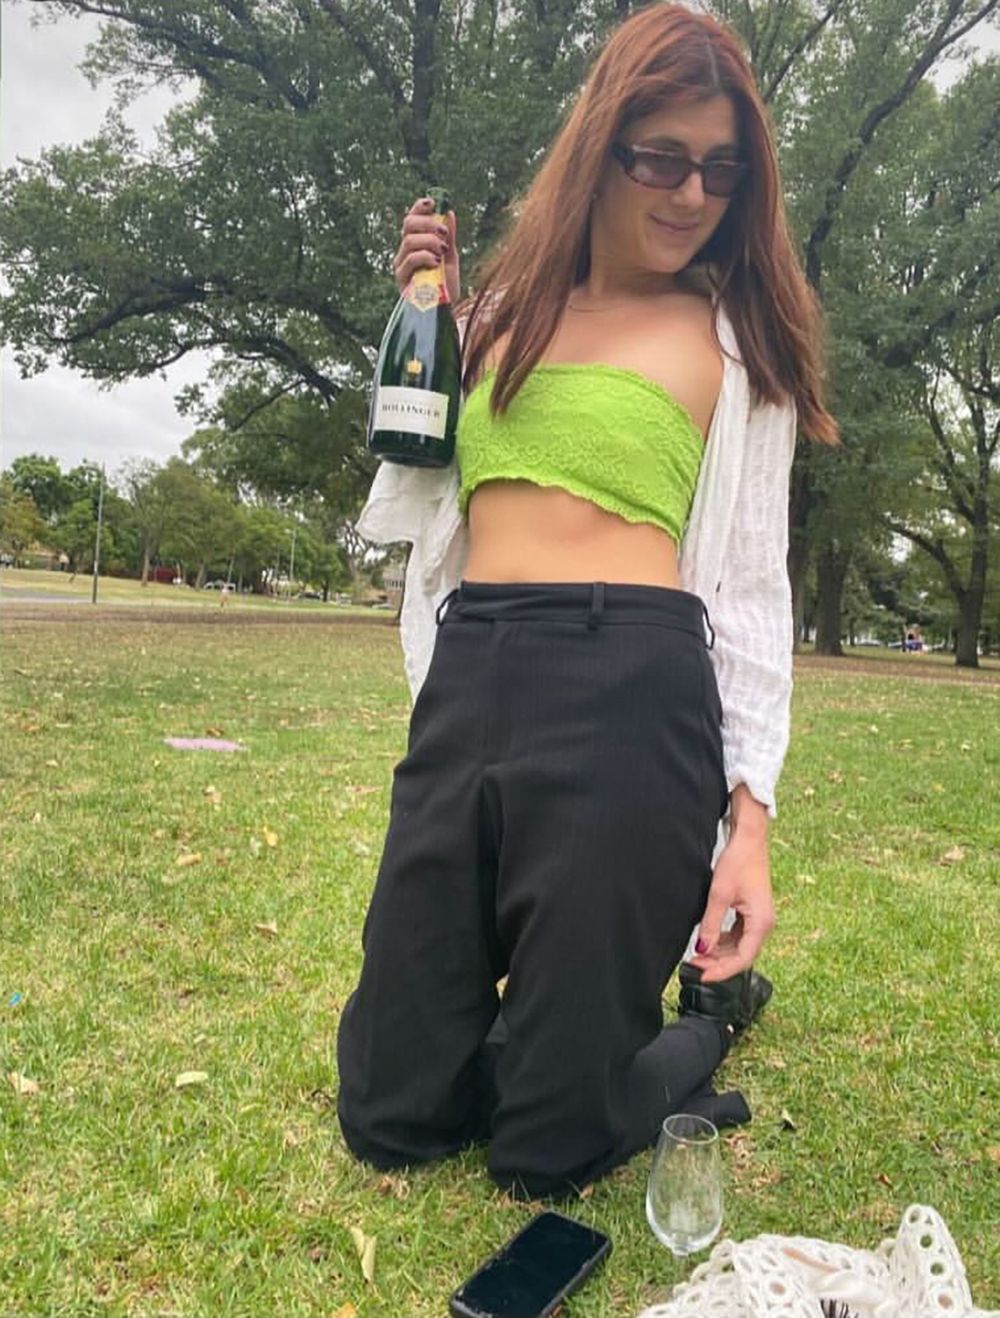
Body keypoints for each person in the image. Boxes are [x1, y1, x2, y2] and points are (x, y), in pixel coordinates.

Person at [337, 3, 838, 1199]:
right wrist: (429, 316)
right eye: (661, 158)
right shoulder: (498, 317)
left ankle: (706, 1022)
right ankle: (548, 1025)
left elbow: (751, 589)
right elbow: (418, 491)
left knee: (545, 1151)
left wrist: (748, 831)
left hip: (632, 696)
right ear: (600, 147)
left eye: (720, 169)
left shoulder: (735, 342)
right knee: (393, 1118)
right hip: (475, 679)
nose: (690, 193)